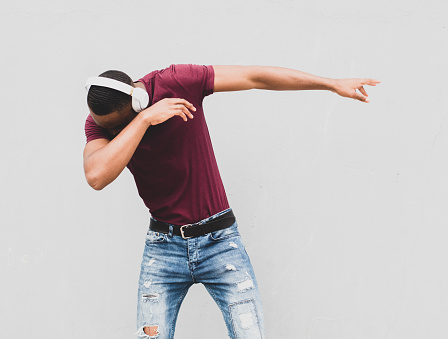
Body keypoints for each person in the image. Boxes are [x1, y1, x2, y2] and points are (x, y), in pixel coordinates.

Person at [83, 64, 380, 339]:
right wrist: (146, 119)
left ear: (137, 101)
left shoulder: (176, 81)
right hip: (163, 249)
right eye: (107, 129)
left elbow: (255, 77)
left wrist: (330, 84)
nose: (110, 133)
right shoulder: (104, 120)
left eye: (116, 127)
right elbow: (96, 176)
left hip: (220, 242)